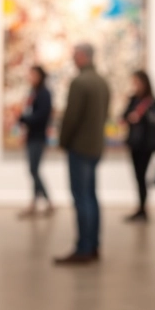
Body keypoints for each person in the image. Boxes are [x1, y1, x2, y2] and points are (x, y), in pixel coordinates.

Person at [54, 44, 110, 265]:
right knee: (91, 196)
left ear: (82, 56)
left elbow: (71, 117)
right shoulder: (102, 82)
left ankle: (84, 248)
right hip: (95, 146)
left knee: (82, 198)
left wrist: (63, 142)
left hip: (80, 147)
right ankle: (93, 244)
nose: (72, 59)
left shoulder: (80, 82)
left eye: (74, 55)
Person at [122, 70, 155, 223]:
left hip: (147, 145)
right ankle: (141, 208)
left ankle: (143, 208)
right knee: (138, 177)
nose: (135, 85)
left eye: (137, 82)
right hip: (134, 143)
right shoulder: (133, 100)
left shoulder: (153, 102)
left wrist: (141, 115)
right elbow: (124, 116)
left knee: (142, 176)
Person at [18, 65, 54, 218]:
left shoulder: (44, 94)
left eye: (33, 74)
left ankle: (47, 201)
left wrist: (25, 119)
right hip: (32, 136)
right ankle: (36, 202)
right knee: (33, 170)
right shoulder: (34, 93)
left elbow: (42, 115)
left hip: (38, 137)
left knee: (34, 169)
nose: (30, 77)